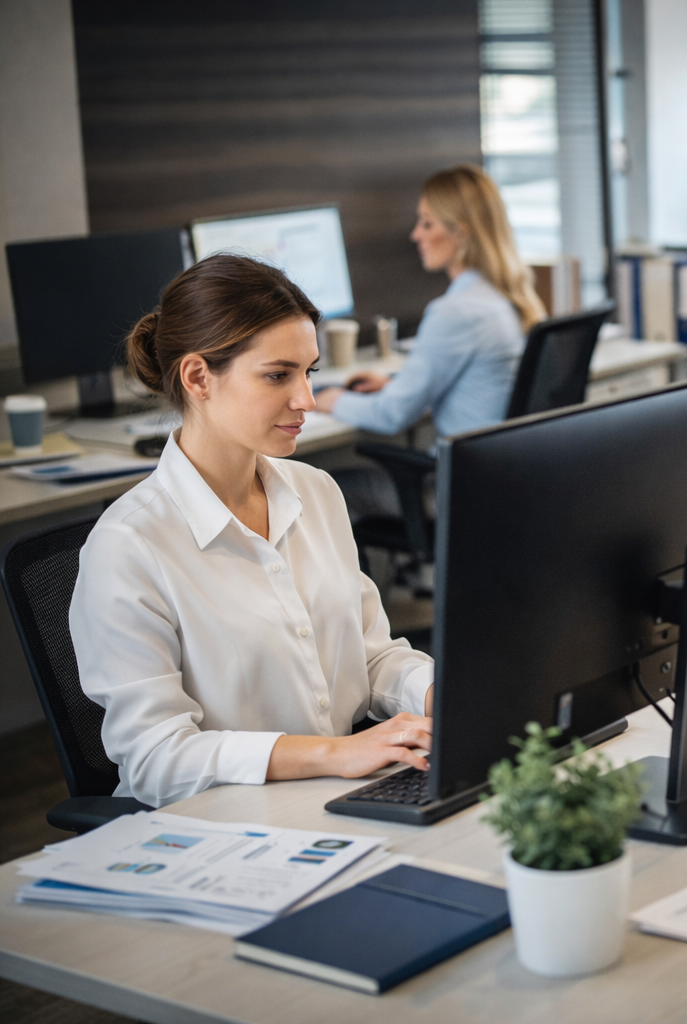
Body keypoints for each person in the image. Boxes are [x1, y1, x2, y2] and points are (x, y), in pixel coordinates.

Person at [70, 255, 436, 807]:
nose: (307, 400)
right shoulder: (129, 546)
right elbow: (154, 758)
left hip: (339, 796)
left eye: (308, 372)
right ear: (198, 377)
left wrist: (437, 694)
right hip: (221, 824)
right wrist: (333, 755)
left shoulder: (316, 492)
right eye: (277, 375)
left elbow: (370, 655)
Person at [313, 164, 546, 436]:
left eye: (427, 223)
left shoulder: (456, 312)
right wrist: (395, 386)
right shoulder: (503, 297)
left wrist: (329, 399)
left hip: (466, 472)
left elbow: (392, 415)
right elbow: (474, 387)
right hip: (500, 466)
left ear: (460, 233)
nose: (416, 235)